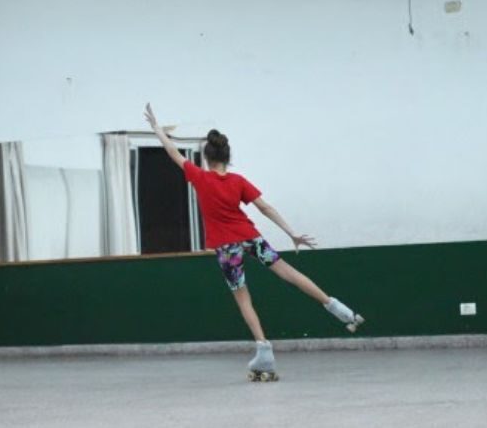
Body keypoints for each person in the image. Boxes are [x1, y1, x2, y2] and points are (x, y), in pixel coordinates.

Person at [144, 104, 364, 380]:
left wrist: (157, 130)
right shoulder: (238, 181)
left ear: (206, 157)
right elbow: (265, 208)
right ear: (228, 157)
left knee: (243, 297)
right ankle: (338, 308)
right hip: (250, 237)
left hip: (227, 248)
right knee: (290, 273)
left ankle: (264, 349)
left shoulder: (200, 177)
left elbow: (173, 153)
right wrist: (291, 234)